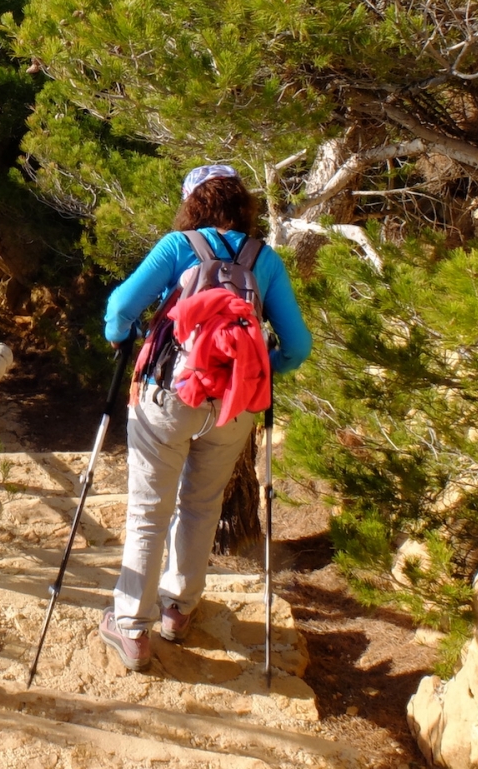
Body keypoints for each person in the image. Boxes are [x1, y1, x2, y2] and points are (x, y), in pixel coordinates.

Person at [97, 164, 312, 671]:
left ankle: (131, 626)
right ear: (243, 205)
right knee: (201, 504)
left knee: (149, 508)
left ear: (193, 203)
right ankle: (178, 609)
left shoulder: (178, 247)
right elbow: (298, 345)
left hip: (167, 396)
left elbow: (122, 305)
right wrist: (265, 370)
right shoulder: (265, 260)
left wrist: (117, 335)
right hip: (234, 405)